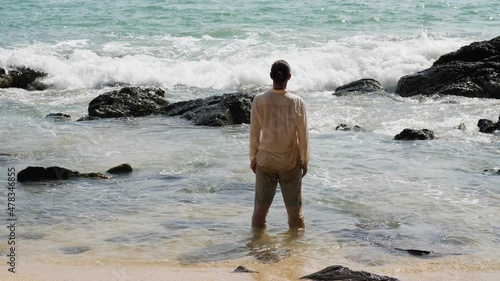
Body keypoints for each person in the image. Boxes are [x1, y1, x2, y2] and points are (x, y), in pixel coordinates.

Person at [249, 60, 310, 230]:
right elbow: (303, 135)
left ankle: (257, 251)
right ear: (289, 77)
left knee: (260, 213)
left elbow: (254, 132)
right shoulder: (297, 102)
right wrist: (305, 160)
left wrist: (253, 157)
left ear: (270, 76)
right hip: (289, 163)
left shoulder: (259, 100)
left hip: (265, 161)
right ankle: (296, 252)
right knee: (295, 213)